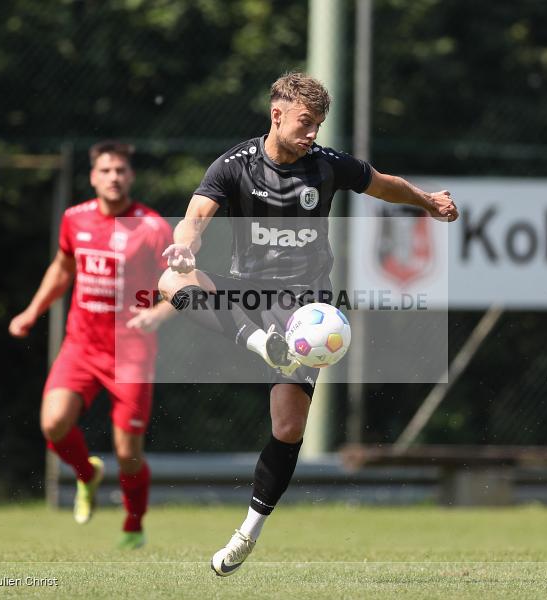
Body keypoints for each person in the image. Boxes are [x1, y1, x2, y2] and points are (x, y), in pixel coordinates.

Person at [158, 72, 459, 576]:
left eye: (318, 124)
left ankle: (247, 533)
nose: (312, 133)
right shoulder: (235, 165)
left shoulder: (327, 166)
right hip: (248, 295)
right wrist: (186, 246)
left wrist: (428, 201)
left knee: (289, 426)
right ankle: (260, 344)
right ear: (276, 114)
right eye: (305, 122)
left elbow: (384, 185)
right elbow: (196, 214)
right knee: (171, 278)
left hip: (303, 308)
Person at [9, 140, 173, 548]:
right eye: (106, 170)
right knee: (52, 423)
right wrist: (32, 311)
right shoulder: (74, 219)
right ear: (93, 177)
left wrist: (157, 313)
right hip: (81, 345)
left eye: (120, 170)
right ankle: (87, 473)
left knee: (128, 451)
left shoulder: (152, 227)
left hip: (131, 353)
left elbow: (181, 288)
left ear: (131, 176)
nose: (114, 177)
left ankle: (134, 522)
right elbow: (63, 269)